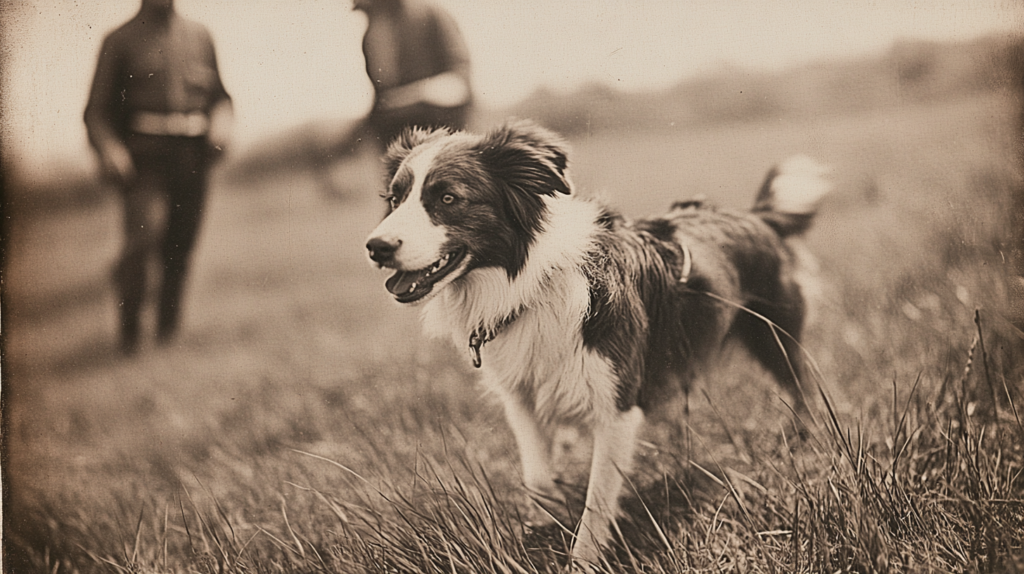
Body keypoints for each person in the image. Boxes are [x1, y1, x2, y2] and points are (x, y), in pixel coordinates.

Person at [84, 0, 233, 355]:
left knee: (181, 245)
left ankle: (167, 334)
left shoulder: (200, 35)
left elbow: (221, 99)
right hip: (143, 159)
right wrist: (110, 150)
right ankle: (129, 336)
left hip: (193, 155)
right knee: (142, 240)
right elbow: (96, 112)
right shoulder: (119, 40)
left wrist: (221, 125)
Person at [319, 0, 472, 188]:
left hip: (439, 124)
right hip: (395, 132)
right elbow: (381, 98)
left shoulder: (431, 16)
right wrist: (348, 143)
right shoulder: (369, 38)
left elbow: (458, 79)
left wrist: (415, 95)